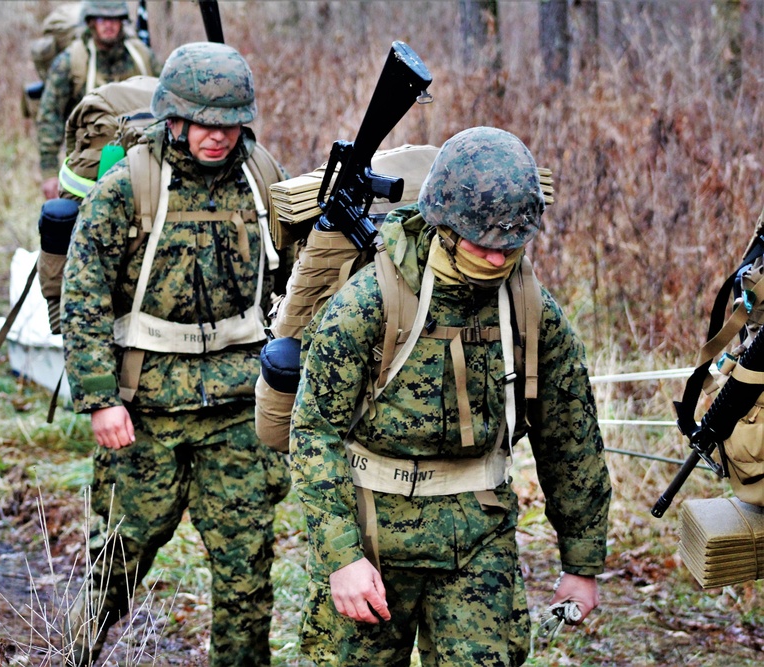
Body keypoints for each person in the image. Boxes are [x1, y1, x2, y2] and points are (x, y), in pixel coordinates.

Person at [288, 126, 612, 666]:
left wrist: (581, 562)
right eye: (480, 241)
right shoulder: (368, 303)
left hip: (479, 540)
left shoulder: (532, 312)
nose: (494, 257)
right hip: (373, 536)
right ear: (443, 223)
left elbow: (570, 439)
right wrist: (341, 556)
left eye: (509, 244)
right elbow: (313, 431)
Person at [60, 42, 289, 666]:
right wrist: (99, 399)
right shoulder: (126, 185)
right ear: (175, 118)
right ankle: (73, 653)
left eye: (229, 122)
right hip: (146, 409)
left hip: (240, 411)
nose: (217, 137)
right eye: (204, 123)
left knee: (247, 579)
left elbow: (299, 286)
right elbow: (83, 296)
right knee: (117, 562)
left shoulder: (263, 179)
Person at [37, 0, 159, 200]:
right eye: (102, 19)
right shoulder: (72, 60)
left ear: (122, 22)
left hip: (143, 158)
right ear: (91, 22)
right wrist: (50, 172)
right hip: (87, 162)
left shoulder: (142, 57)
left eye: (114, 19)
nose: (108, 25)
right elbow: (49, 115)